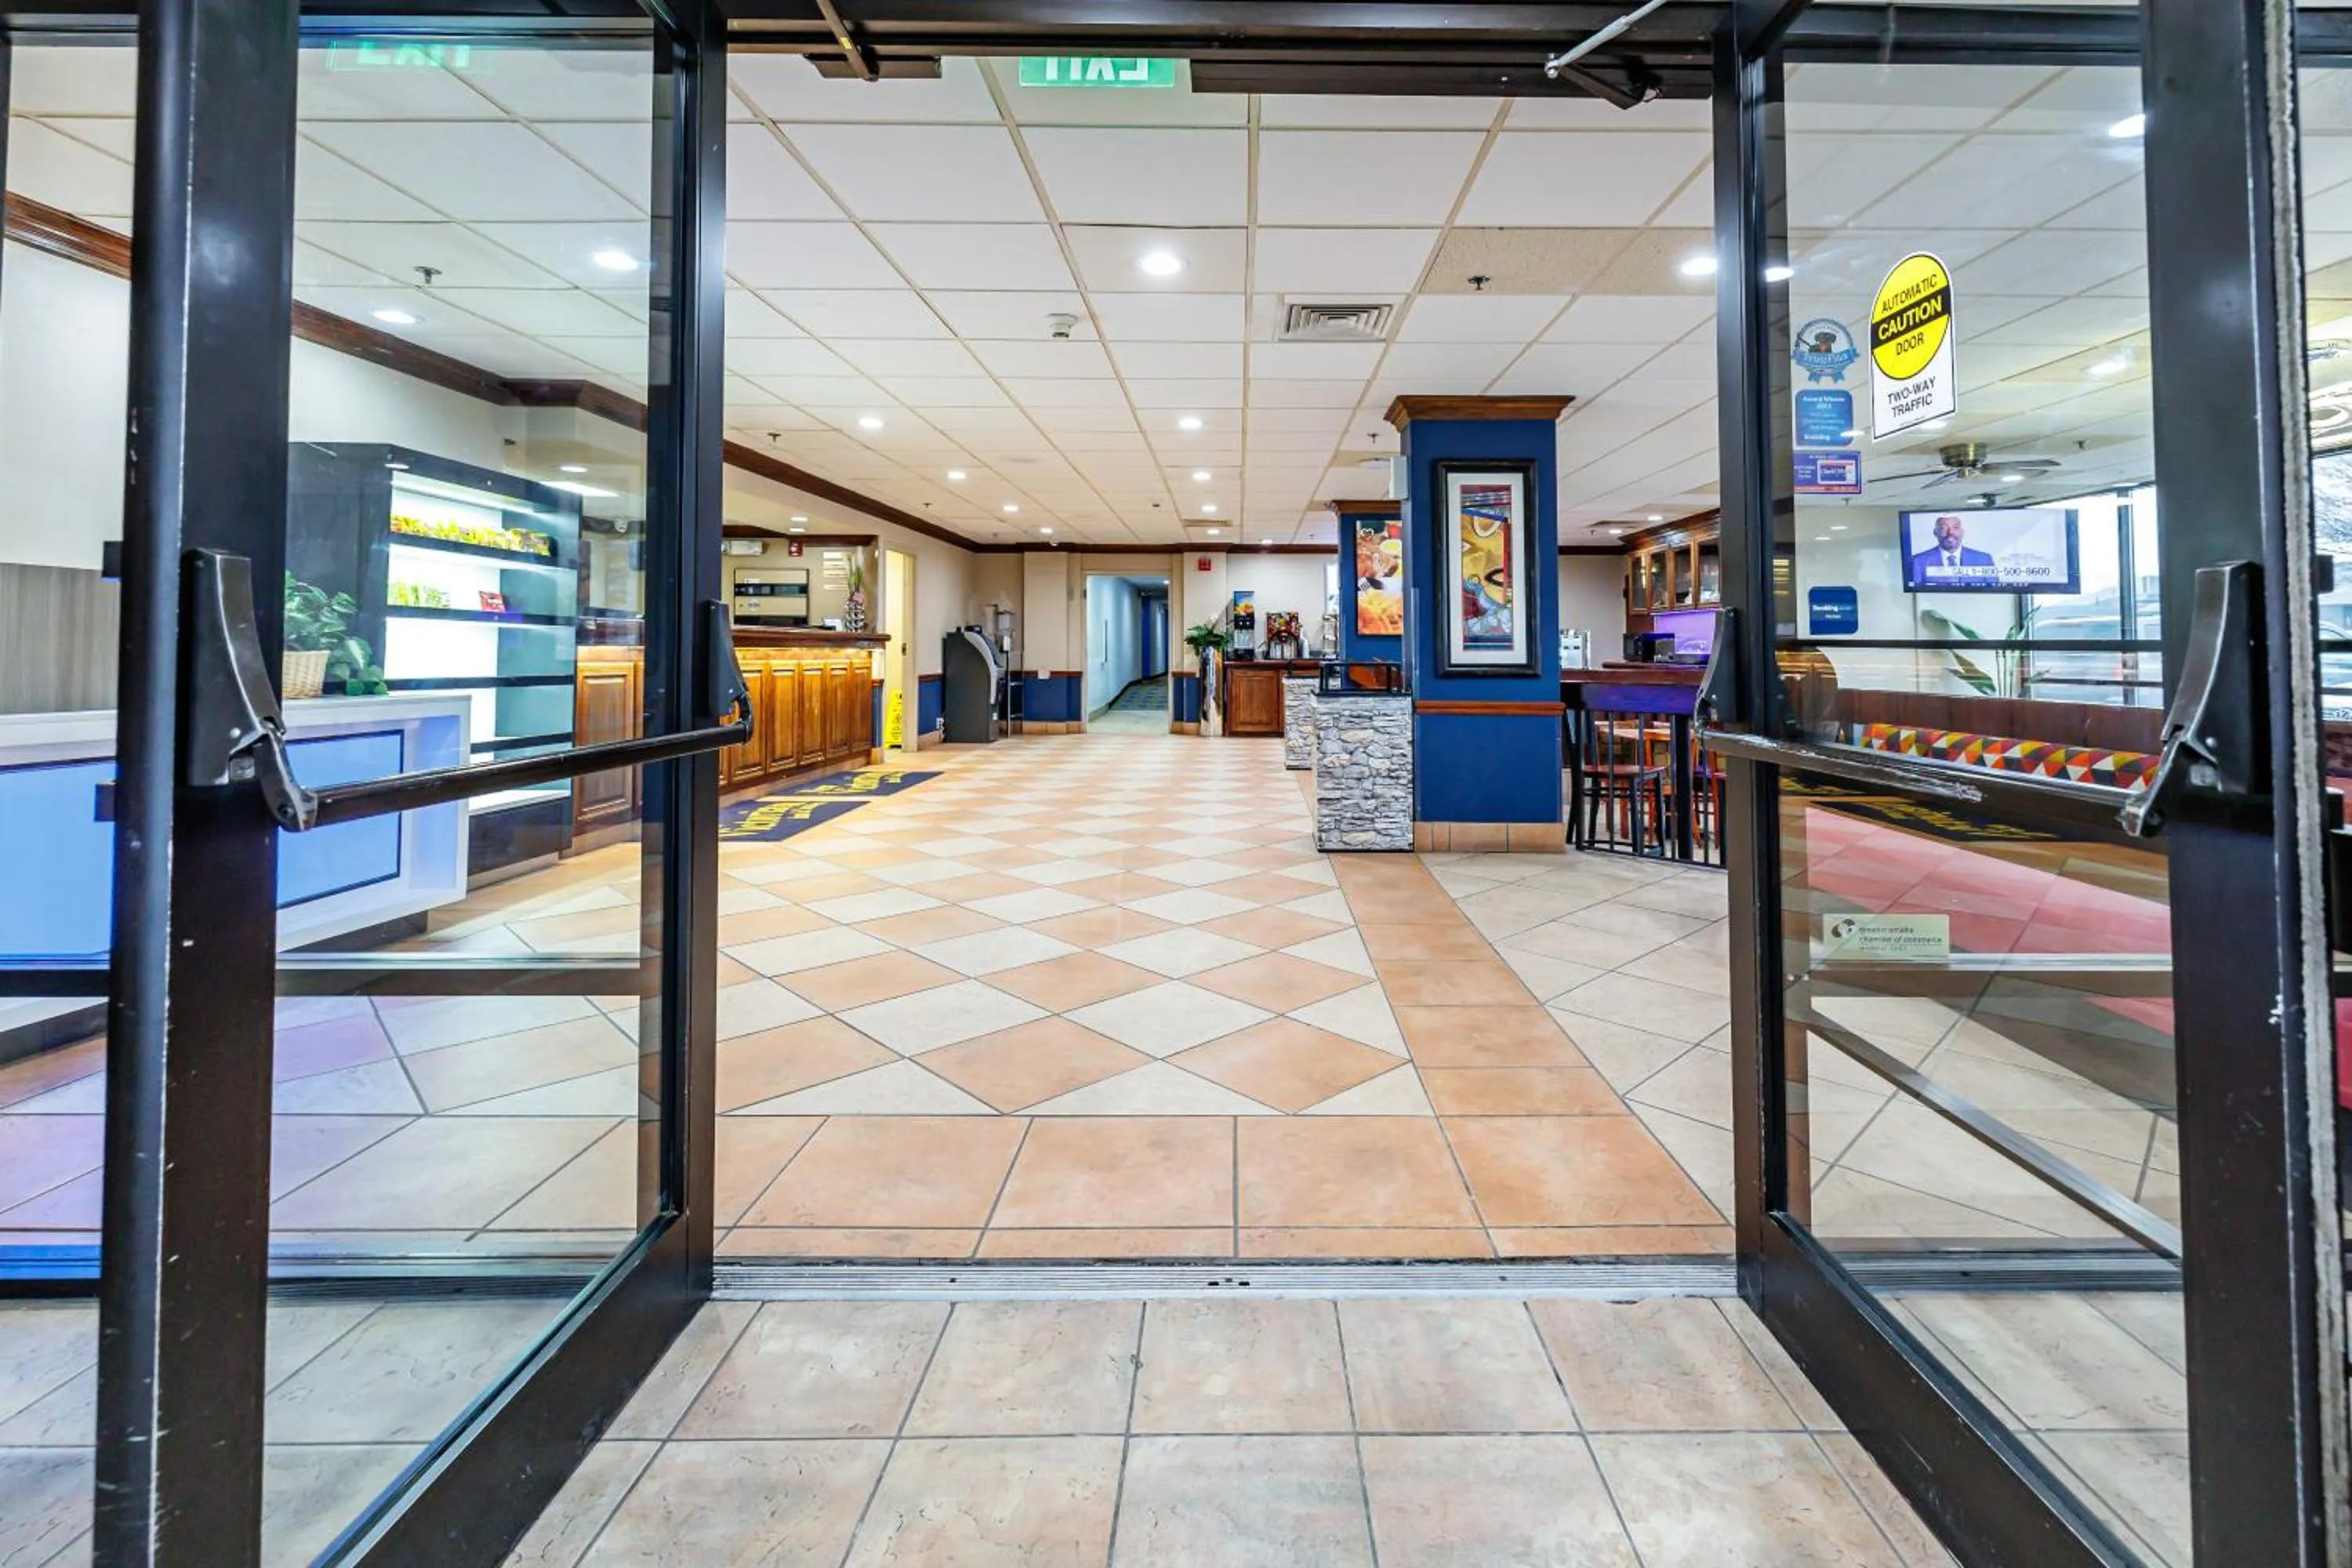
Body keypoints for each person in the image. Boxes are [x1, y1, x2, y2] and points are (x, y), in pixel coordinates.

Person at [1910, 514, 1996, 582]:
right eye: (1943, 528)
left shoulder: (1983, 560)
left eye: (1955, 528)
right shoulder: (1919, 561)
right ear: (1935, 533)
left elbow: (1994, 590)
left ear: (1962, 532)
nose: (1950, 532)